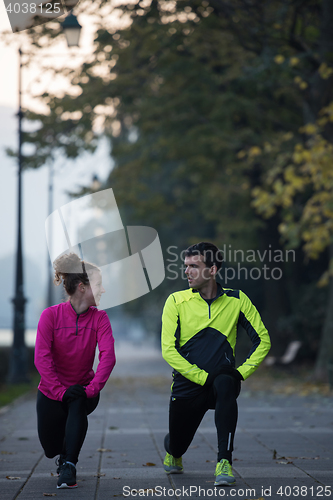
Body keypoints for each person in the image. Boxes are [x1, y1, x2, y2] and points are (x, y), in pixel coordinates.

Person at [161, 242, 271, 486]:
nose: (187, 272)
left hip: (220, 381)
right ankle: (173, 451)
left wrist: (240, 373)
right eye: (186, 266)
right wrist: (201, 377)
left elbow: (263, 340)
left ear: (213, 270)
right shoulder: (176, 301)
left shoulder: (237, 300)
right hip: (187, 385)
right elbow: (168, 350)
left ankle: (224, 461)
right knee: (177, 444)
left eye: (194, 266)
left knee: (225, 381)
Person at [34, 253, 116, 489]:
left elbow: (108, 356)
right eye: (98, 285)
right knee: (50, 449)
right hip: (51, 392)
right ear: (82, 287)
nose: (103, 290)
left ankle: (69, 465)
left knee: (77, 400)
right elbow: (42, 358)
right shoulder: (50, 316)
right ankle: (62, 454)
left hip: (83, 390)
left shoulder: (100, 318)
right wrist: (59, 392)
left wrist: (92, 389)